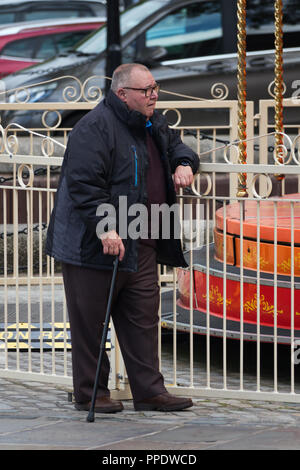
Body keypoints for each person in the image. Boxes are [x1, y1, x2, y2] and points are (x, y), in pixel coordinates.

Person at [46, 63, 199, 413]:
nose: (154, 94)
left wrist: (185, 162)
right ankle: (91, 393)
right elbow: (84, 185)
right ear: (122, 94)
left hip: (142, 239)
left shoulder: (153, 123)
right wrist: (106, 227)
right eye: (145, 90)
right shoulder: (93, 128)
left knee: (142, 319)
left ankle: (148, 391)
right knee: (92, 323)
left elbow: (177, 146)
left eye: (155, 87)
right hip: (95, 246)